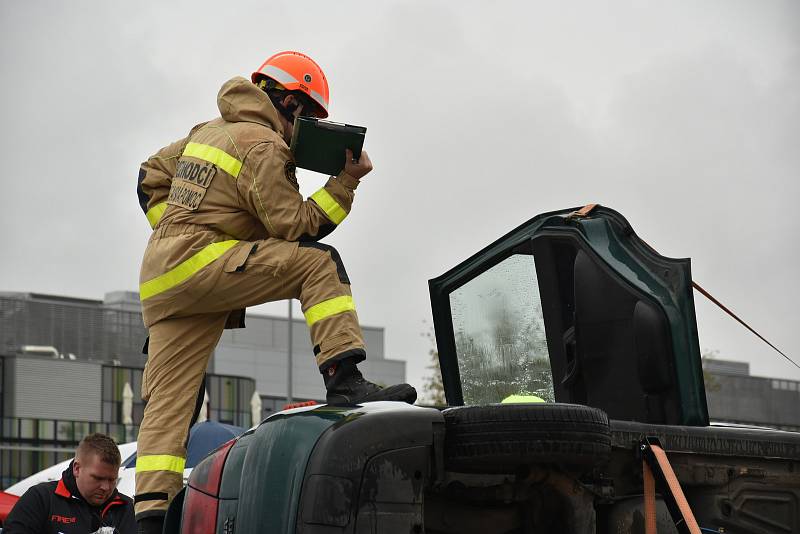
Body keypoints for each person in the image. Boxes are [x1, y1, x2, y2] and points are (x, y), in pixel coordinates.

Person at [133, 50, 417, 532]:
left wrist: (178, 235)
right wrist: (346, 181)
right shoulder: (264, 144)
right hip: (202, 267)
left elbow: (149, 177)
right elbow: (295, 225)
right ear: (289, 102)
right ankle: (344, 378)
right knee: (318, 263)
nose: (305, 128)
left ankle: (151, 514)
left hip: (161, 280)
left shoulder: (205, 132)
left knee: (168, 405)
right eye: (308, 116)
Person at [4, 433, 134, 534]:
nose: (106, 487)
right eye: (97, 478)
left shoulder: (127, 509)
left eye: (112, 480)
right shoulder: (41, 499)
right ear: (77, 468)